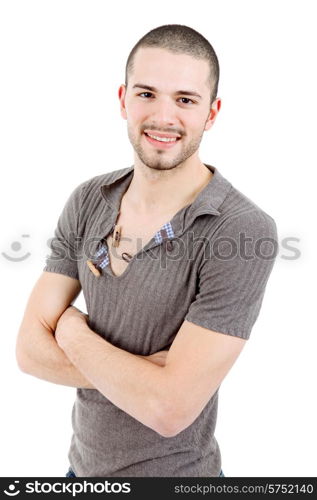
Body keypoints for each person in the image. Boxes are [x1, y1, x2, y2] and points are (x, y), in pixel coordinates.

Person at [16, 24, 278, 478]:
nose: (163, 117)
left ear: (212, 113)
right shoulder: (88, 200)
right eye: (146, 94)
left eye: (185, 100)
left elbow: (169, 408)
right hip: (79, 477)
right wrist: (148, 376)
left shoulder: (241, 230)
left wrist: (72, 331)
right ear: (122, 99)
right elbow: (28, 352)